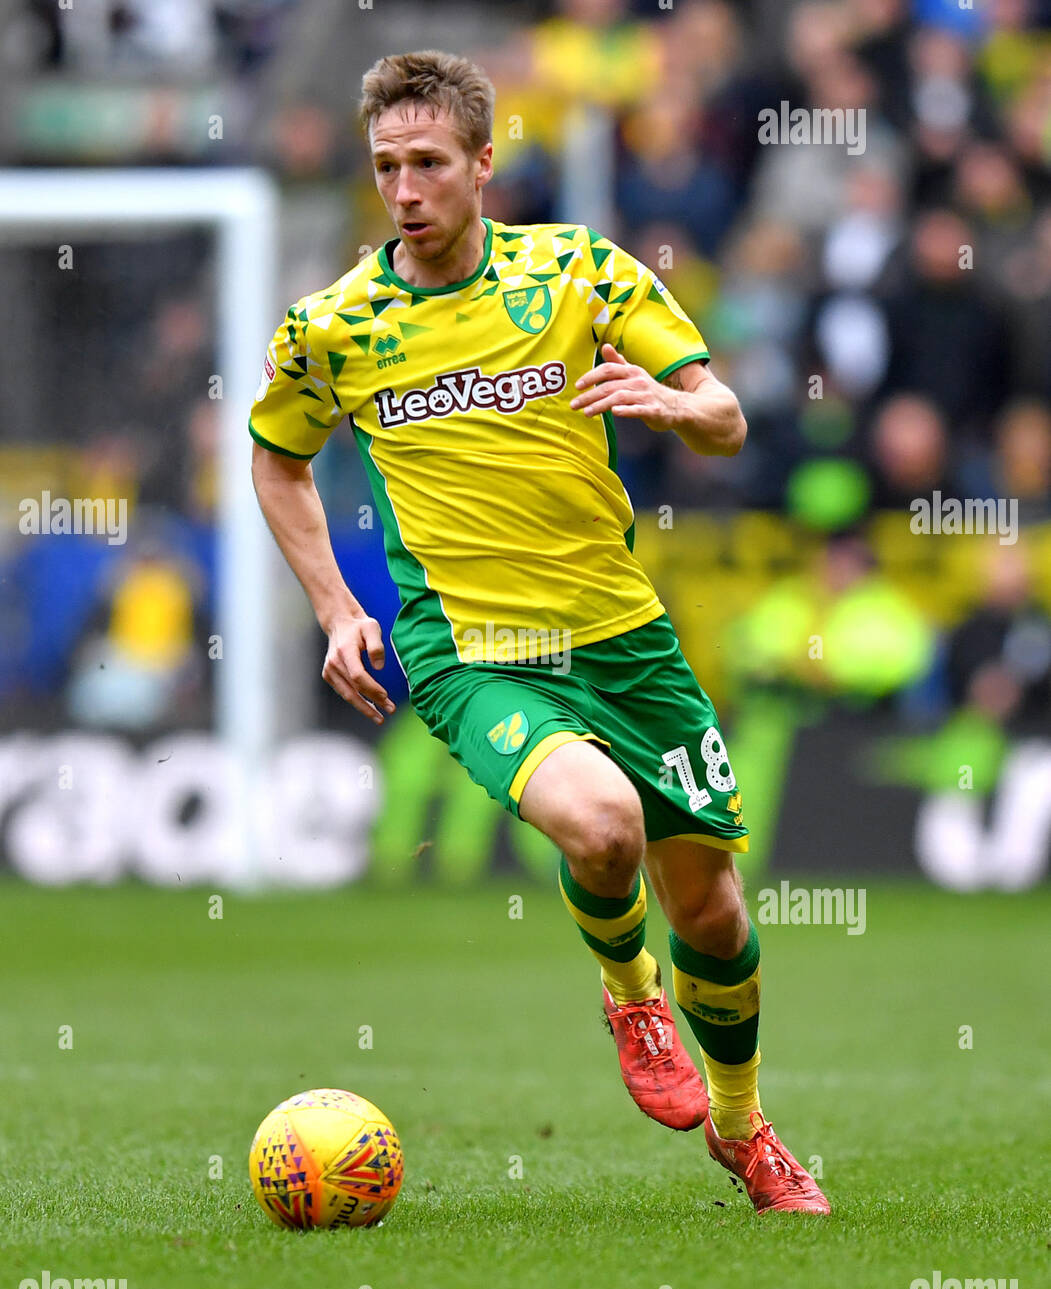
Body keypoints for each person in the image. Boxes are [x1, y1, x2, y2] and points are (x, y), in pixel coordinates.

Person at [249, 50, 829, 1215]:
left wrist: (674, 404)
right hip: (472, 648)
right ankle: (628, 991)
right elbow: (277, 459)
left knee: (710, 908)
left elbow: (721, 411)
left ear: (481, 165)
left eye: (426, 164)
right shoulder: (333, 328)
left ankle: (741, 1128)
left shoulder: (574, 271)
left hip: (621, 638)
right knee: (600, 825)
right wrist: (334, 605)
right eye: (384, 167)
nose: (403, 189)